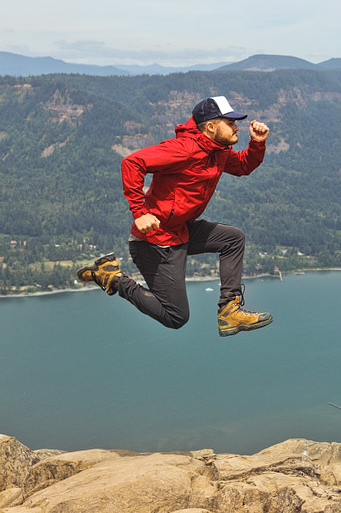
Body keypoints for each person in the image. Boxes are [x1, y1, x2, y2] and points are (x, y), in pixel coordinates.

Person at [76, 95, 273, 337]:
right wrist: (140, 212)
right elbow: (132, 162)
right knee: (176, 316)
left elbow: (242, 166)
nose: (236, 127)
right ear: (211, 127)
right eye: (230, 122)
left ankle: (229, 311)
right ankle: (112, 277)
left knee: (233, 238)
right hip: (154, 240)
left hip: (181, 230)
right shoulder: (183, 149)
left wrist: (257, 144)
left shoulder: (218, 152)